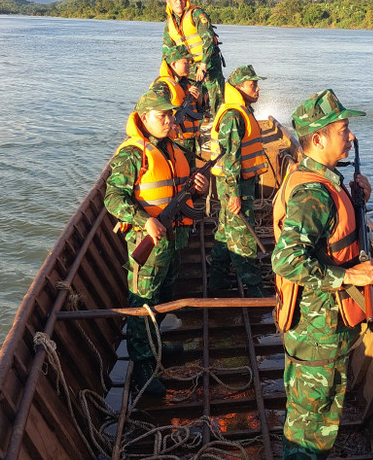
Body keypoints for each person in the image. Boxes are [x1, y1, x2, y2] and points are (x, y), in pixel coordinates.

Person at [270, 89, 373, 459]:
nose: (349, 137)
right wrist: (348, 278)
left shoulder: (323, 181)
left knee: (317, 417)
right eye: (343, 129)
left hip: (327, 329)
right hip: (318, 330)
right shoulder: (313, 195)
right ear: (318, 139)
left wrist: (357, 199)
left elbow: (332, 237)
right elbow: (286, 261)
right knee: (309, 428)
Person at [104, 86, 208, 397]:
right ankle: (143, 366)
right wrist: (143, 220)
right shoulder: (132, 154)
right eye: (161, 116)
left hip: (173, 240)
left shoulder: (173, 149)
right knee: (142, 303)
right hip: (148, 242)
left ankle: (157, 345)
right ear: (144, 118)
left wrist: (199, 188)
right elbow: (113, 197)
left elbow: (180, 187)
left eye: (169, 115)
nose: (168, 120)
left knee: (163, 295)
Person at [207, 65, 269, 298]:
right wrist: (234, 193)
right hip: (236, 186)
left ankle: (218, 283)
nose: (258, 88)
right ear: (239, 88)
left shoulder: (242, 111)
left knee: (225, 233)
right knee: (243, 236)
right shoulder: (233, 116)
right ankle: (256, 291)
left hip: (240, 183)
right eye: (253, 84)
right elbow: (230, 158)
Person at [163, 0, 225, 117]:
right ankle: (199, 123)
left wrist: (203, 64)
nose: (179, 2)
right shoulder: (169, 23)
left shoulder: (196, 14)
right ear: (168, 1)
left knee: (216, 95)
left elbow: (208, 40)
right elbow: (167, 51)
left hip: (209, 61)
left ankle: (219, 126)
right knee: (193, 97)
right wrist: (168, 75)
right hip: (189, 66)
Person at [151, 44, 204, 155]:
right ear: (174, 64)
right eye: (186, 63)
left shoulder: (188, 85)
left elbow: (202, 113)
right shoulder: (162, 85)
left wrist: (200, 100)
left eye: (190, 62)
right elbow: (153, 112)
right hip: (176, 142)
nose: (190, 66)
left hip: (192, 142)